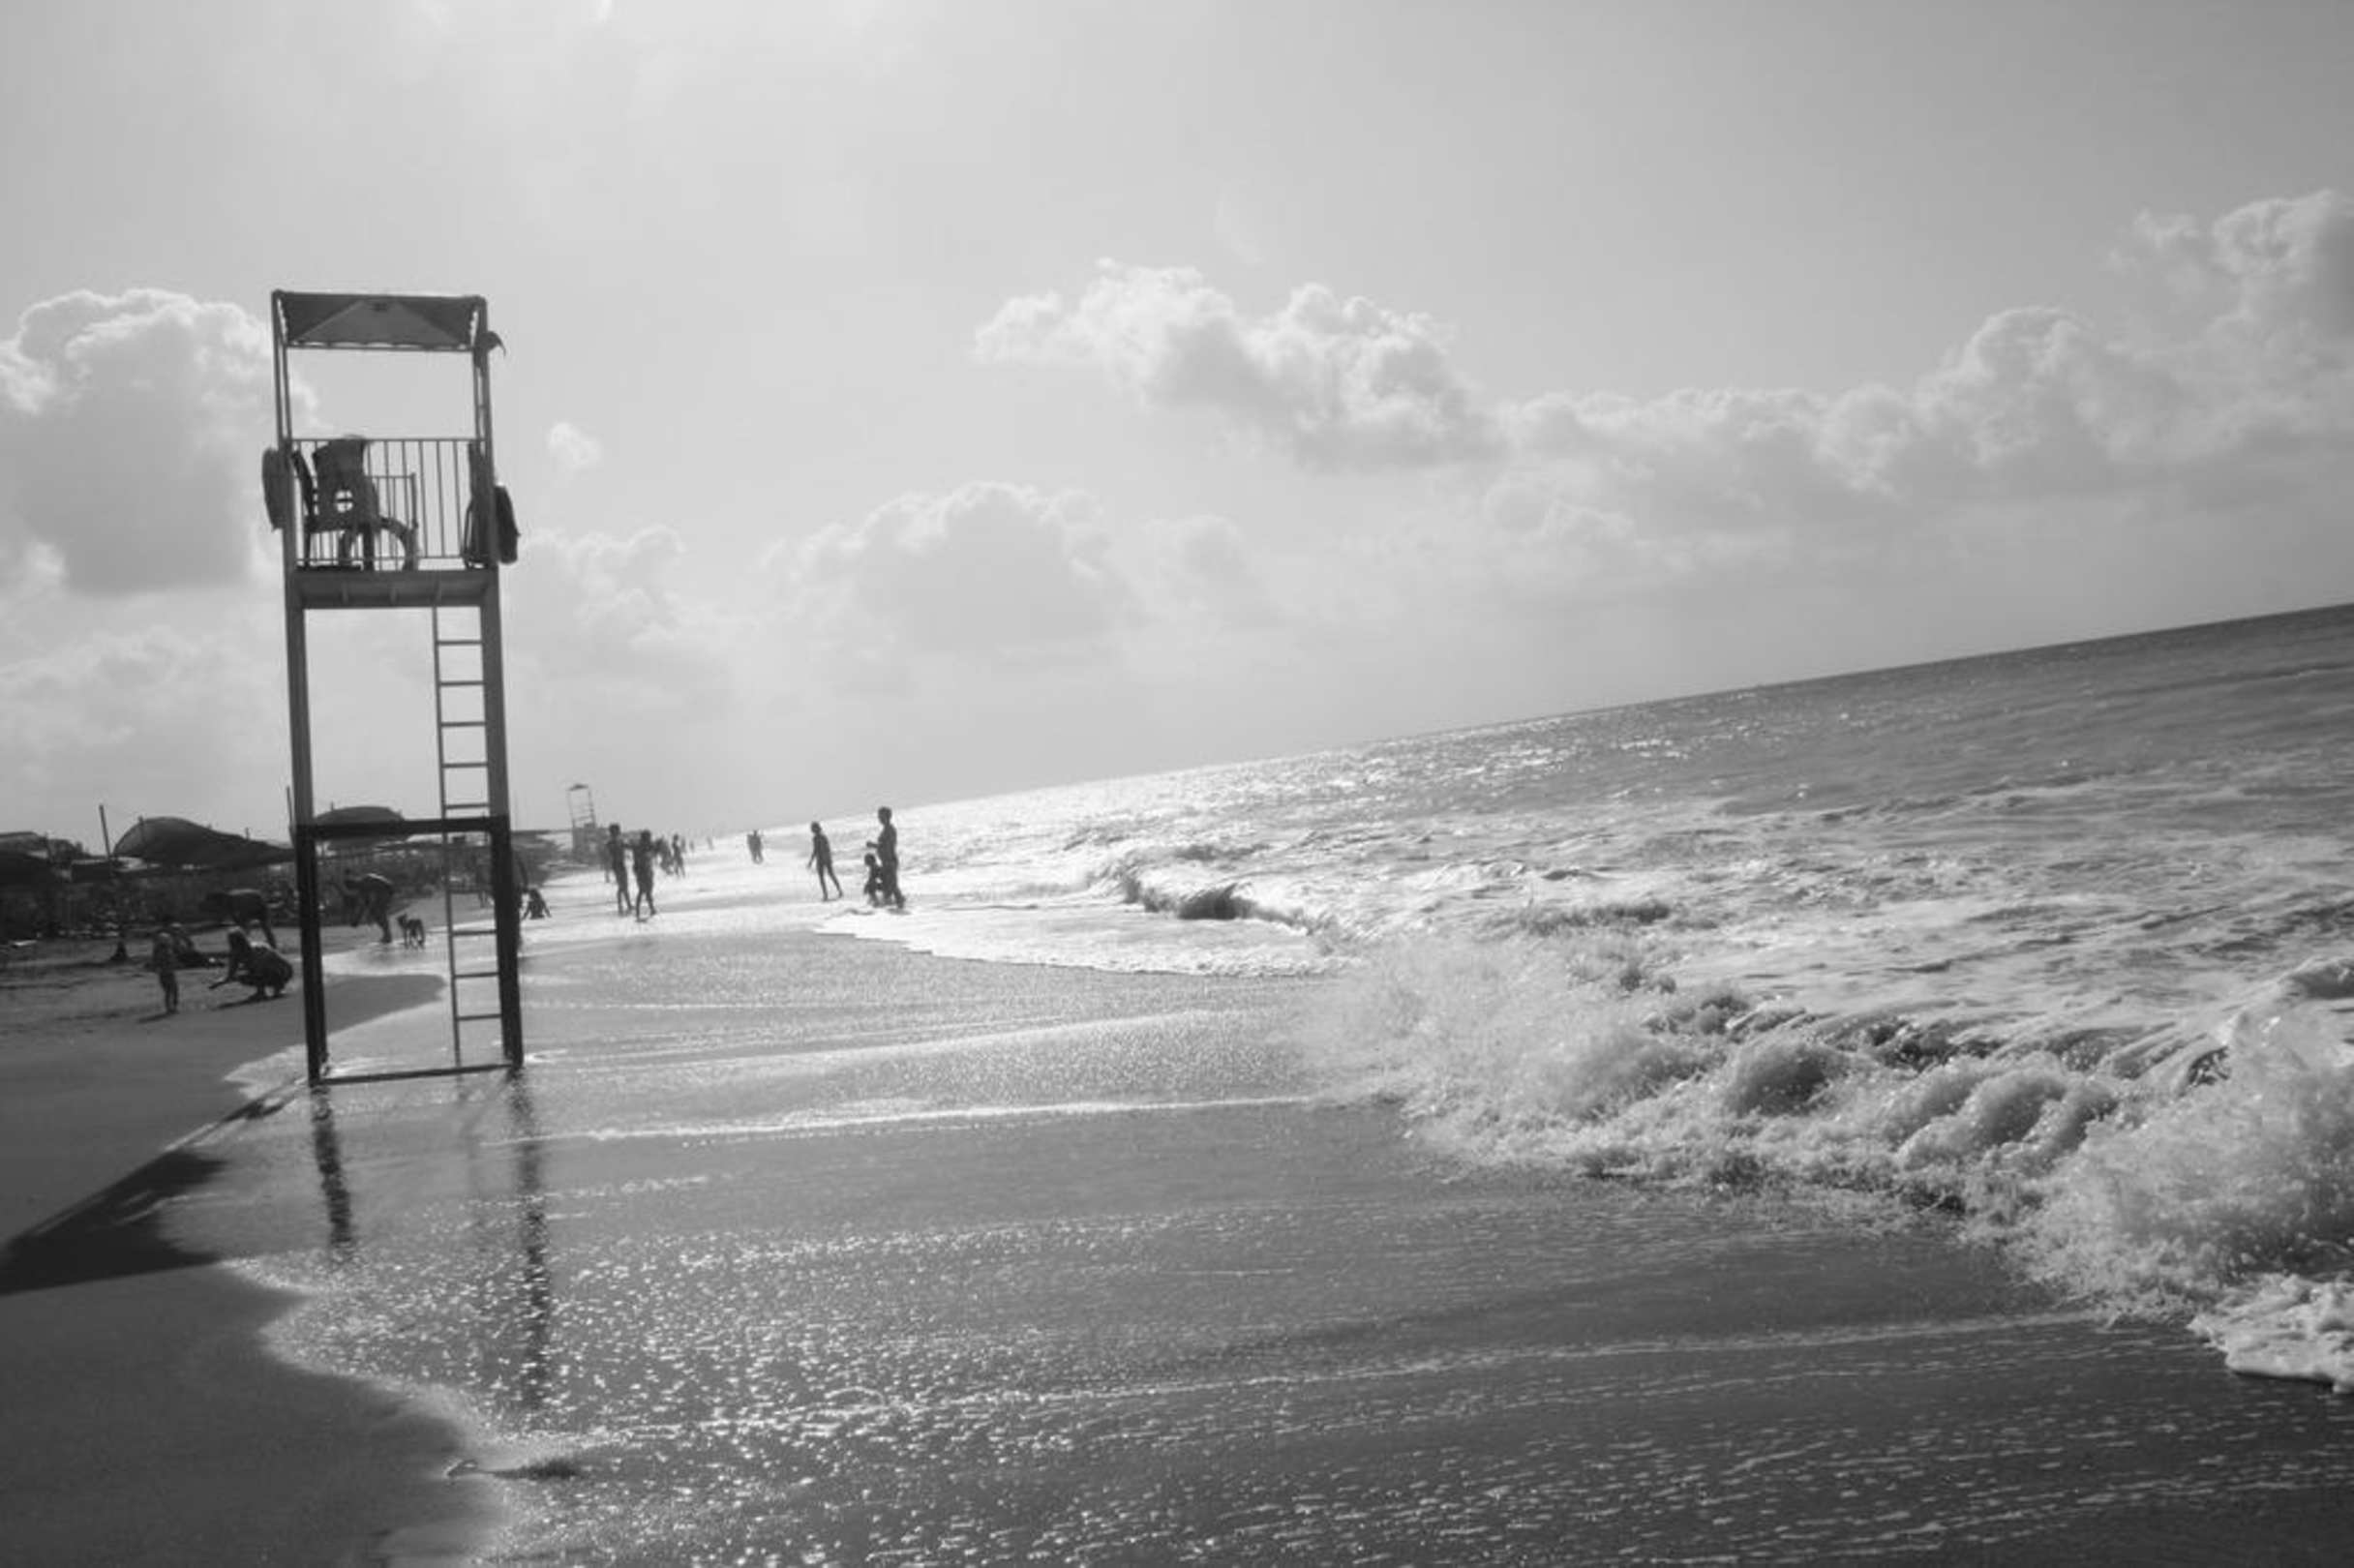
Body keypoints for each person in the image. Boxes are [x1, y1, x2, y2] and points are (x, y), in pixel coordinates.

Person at [211, 926, 292, 1002]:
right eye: (232, 941)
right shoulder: (235, 955)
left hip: (283, 971)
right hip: (265, 971)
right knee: (243, 976)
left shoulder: (258, 948)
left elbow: (277, 964)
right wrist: (220, 982)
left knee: (260, 971)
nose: (234, 943)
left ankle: (277, 989)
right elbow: (231, 974)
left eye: (237, 940)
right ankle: (261, 993)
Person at [340, 871, 396, 943]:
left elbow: (372, 900)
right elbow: (363, 904)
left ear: (354, 884)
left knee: (378, 912)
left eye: (354, 888)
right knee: (376, 912)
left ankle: (387, 936)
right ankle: (387, 935)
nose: (355, 890)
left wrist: (368, 915)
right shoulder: (362, 884)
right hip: (384, 890)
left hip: (386, 890)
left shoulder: (365, 883)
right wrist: (357, 920)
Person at [874, 805, 905, 910]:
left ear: (887, 816)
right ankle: (897, 905)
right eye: (879, 816)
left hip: (890, 860)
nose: (879, 818)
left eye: (881, 816)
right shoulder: (885, 829)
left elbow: (887, 846)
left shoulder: (890, 830)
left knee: (892, 885)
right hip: (885, 860)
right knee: (890, 885)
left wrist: (874, 845)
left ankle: (899, 904)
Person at [807, 821, 843, 900]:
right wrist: (811, 861)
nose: (812, 830)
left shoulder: (822, 837)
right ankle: (826, 894)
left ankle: (839, 890)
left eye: (813, 828)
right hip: (821, 859)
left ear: (817, 828)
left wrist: (826, 858)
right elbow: (815, 850)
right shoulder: (815, 838)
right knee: (822, 877)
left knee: (830, 875)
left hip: (825, 858)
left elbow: (826, 849)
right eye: (812, 828)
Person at [149, 925, 179, 1015]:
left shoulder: (160, 950)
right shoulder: (163, 950)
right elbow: (164, 961)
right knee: (171, 990)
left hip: (165, 972)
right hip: (166, 972)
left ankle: (171, 1007)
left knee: (171, 990)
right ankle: (171, 1007)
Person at [631, 829, 659, 919]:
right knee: (645, 891)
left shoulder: (639, 846)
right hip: (644, 871)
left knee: (644, 891)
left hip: (643, 871)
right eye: (649, 837)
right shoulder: (643, 847)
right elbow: (651, 853)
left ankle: (642, 910)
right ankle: (649, 909)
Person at [606, 823, 630, 915]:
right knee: (622, 886)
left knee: (624, 886)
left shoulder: (616, 842)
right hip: (617, 865)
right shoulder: (612, 843)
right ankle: (621, 906)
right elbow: (614, 850)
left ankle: (627, 905)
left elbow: (627, 846)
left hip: (620, 865)